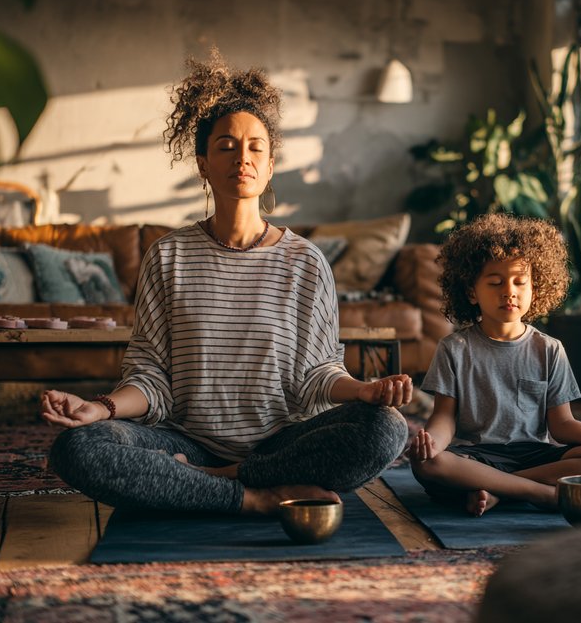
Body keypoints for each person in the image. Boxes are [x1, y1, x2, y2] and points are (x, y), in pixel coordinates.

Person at [42, 53, 411, 516]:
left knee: (387, 429)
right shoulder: (169, 255)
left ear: (270, 165)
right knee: (78, 448)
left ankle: (216, 484)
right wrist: (101, 409)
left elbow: (317, 376)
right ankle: (251, 498)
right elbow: (153, 377)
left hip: (281, 444)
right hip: (187, 443)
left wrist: (364, 391)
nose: (243, 157)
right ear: (202, 164)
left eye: (256, 147)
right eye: (227, 146)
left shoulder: (305, 261)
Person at [408, 213, 581, 517]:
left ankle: (498, 491)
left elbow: (562, 426)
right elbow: (444, 419)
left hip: (535, 457)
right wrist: (431, 443)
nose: (509, 291)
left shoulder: (550, 349)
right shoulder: (454, 348)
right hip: (476, 458)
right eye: (495, 282)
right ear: (471, 292)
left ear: (535, 290)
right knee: (427, 463)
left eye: (519, 282)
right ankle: (540, 494)